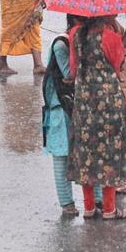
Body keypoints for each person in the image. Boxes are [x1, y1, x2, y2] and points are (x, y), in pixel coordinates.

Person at [67, 15, 126, 220]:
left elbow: (73, 69)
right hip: (108, 102)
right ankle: (109, 209)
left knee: (86, 150)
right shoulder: (110, 37)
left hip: (84, 101)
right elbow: (118, 67)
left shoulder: (75, 35)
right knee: (110, 151)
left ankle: (89, 207)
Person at [42, 15, 83, 214]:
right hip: (60, 104)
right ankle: (67, 203)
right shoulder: (61, 44)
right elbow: (68, 74)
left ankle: (98, 201)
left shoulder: (76, 42)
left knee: (89, 153)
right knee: (61, 154)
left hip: (76, 104)